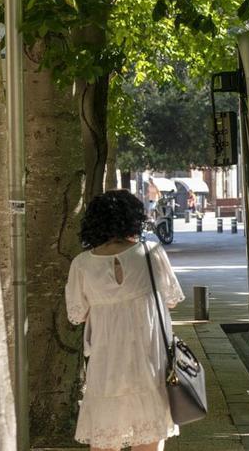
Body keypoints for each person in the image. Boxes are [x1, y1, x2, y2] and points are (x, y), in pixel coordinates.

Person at [65, 189, 185, 451]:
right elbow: (171, 299)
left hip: (106, 363)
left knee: (105, 436)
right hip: (149, 360)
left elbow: (77, 314)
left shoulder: (82, 264)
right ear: (134, 219)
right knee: (149, 438)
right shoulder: (152, 252)